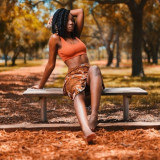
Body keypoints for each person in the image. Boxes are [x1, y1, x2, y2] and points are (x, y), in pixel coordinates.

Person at [32, 8, 104, 143]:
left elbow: (81, 11)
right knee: (78, 91)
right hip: (73, 76)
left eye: (72, 20)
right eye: (67, 20)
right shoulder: (56, 39)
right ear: (60, 22)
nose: (71, 23)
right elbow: (50, 64)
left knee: (94, 68)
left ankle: (94, 115)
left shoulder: (76, 35)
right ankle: (86, 130)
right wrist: (40, 85)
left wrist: (56, 15)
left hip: (88, 74)